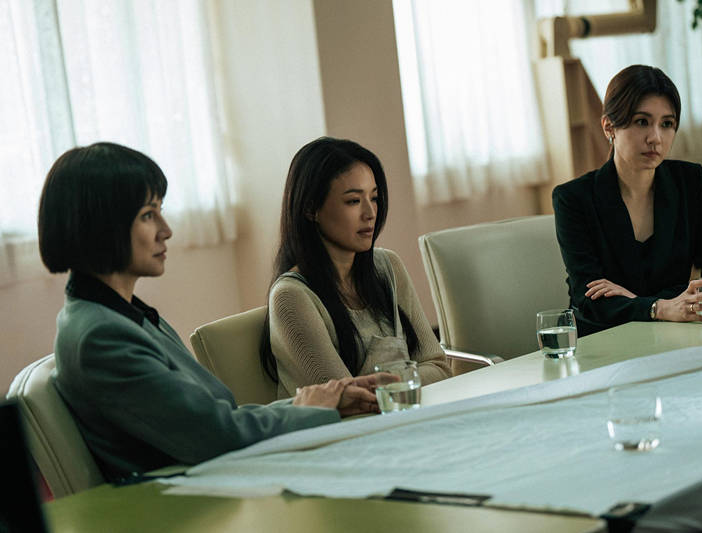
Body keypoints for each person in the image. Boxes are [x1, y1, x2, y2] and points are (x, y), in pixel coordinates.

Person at [38, 142, 380, 481]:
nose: (166, 230)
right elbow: (218, 435)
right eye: (148, 215)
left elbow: (214, 420)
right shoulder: (102, 336)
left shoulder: (117, 316)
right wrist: (311, 410)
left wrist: (321, 401)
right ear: (101, 225)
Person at [552, 65, 702, 336]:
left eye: (667, 124)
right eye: (642, 122)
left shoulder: (690, 182)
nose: (656, 138)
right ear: (609, 127)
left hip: (675, 336)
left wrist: (634, 300)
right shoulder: (573, 199)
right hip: (605, 342)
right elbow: (589, 301)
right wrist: (658, 307)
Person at [261, 137, 451, 398]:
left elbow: (440, 368)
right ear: (310, 208)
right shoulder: (291, 297)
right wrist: (409, 378)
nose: (370, 213)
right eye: (353, 201)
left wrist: (386, 385)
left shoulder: (388, 266)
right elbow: (351, 400)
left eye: (374, 198)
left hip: (408, 414)